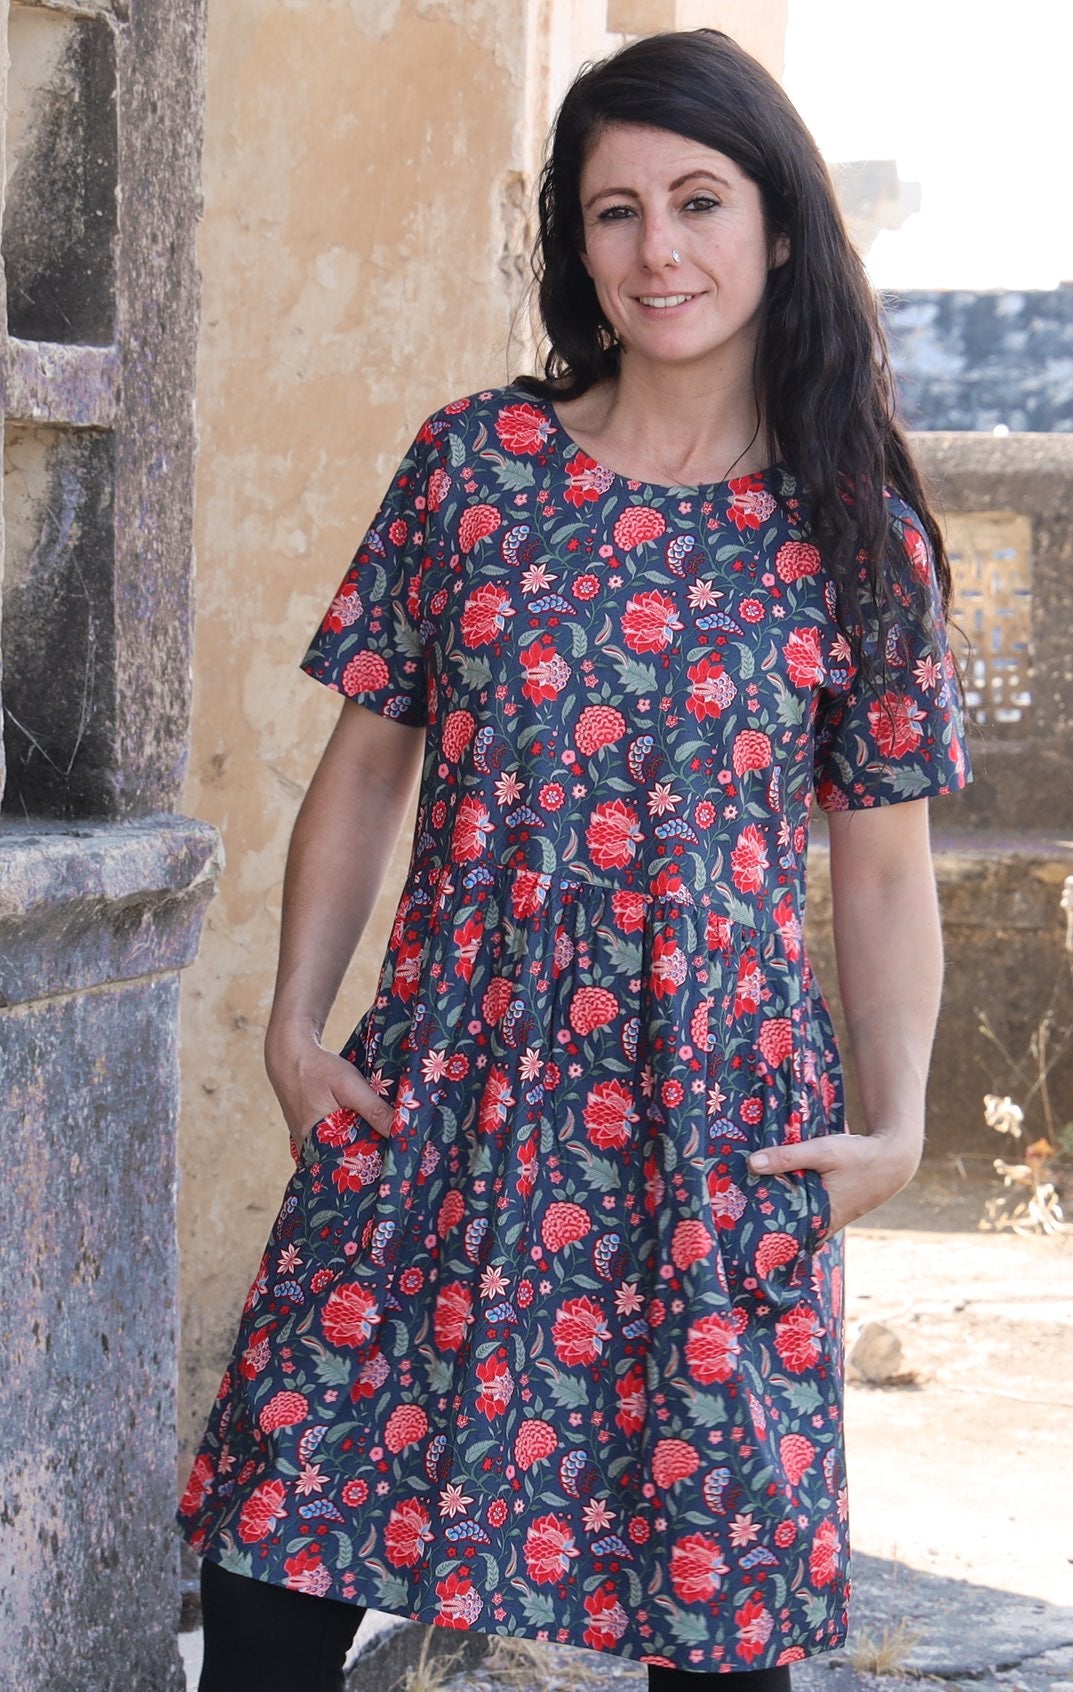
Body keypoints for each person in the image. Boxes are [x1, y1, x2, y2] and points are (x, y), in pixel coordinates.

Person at [178, 26, 970, 1692]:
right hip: (442, 1089)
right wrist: (296, 1022)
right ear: (574, 240)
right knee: (274, 1556)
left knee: (715, 1608)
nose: (656, 251)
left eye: (697, 200)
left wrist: (898, 1121)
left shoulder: (855, 530)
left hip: (711, 1122)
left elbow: (885, 869)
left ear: (778, 225)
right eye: (614, 212)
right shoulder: (477, 468)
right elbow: (368, 761)